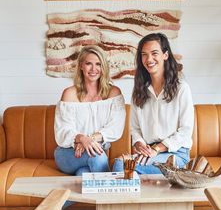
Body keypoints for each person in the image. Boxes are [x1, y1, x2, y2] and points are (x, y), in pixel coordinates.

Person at [113, 33, 194, 174]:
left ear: (165, 55)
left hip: (176, 154)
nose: (149, 59)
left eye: (154, 53)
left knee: (122, 166)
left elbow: (185, 131)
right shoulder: (139, 90)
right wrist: (140, 144)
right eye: (144, 54)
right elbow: (135, 129)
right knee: (120, 163)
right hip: (150, 152)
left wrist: (157, 149)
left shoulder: (182, 88)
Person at [54, 45, 126, 176]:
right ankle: (111, 195)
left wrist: (89, 140)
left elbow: (115, 128)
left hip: (94, 151)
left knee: (83, 174)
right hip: (68, 153)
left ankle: (75, 195)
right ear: (81, 66)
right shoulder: (69, 94)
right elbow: (62, 130)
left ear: (103, 67)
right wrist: (81, 138)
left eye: (98, 64)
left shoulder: (113, 93)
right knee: (98, 156)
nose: (94, 69)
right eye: (88, 64)